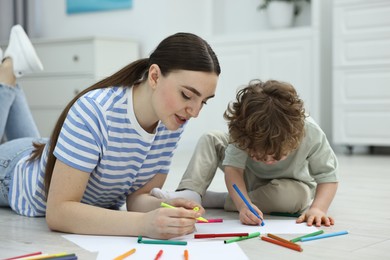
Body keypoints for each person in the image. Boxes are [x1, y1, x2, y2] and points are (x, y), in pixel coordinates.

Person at [0, 25, 221, 239]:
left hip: (46, 154)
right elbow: (59, 213)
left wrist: (164, 206)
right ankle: (7, 71)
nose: (195, 112)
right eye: (186, 95)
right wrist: (143, 224)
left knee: (38, 148)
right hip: (13, 172)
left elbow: (137, 198)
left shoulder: (171, 119)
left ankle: (9, 73)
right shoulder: (95, 110)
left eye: (204, 102)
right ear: (154, 76)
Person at [151, 79, 339, 227]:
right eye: (257, 155)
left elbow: (328, 177)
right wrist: (242, 205)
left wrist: (318, 209)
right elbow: (233, 170)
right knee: (211, 138)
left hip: (289, 185)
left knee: (294, 198)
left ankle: (218, 199)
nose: (267, 161)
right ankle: (191, 193)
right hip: (247, 177)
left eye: (275, 156)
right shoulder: (244, 131)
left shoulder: (311, 132)